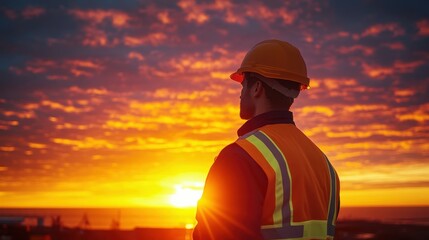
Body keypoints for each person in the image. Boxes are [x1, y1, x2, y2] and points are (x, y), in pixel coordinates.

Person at [193, 39, 340, 240]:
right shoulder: (324, 165)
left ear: (257, 88)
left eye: (243, 85)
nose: (240, 94)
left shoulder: (240, 158)